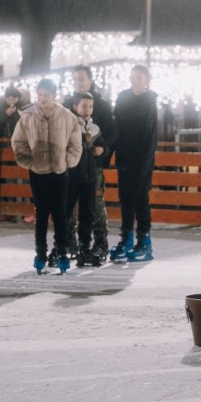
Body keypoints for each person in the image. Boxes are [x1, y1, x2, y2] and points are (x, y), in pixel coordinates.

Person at [11, 78, 83, 274]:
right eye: (40, 95)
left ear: (54, 95)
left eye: (46, 95)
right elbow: (18, 142)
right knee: (41, 213)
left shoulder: (66, 116)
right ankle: (40, 253)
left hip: (59, 172)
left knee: (60, 213)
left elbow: (76, 142)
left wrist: (68, 160)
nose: (42, 99)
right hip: (38, 172)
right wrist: (28, 161)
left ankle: (62, 253)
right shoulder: (28, 116)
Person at [64, 66, 117, 258]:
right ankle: (69, 242)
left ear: (90, 80)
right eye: (75, 78)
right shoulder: (67, 104)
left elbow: (111, 132)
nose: (78, 82)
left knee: (94, 204)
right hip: (71, 166)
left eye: (81, 78)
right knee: (68, 205)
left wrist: (102, 150)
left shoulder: (100, 105)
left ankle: (100, 242)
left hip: (92, 166)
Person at [111, 64, 159, 263]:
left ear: (147, 80)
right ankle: (126, 239)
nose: (135, 80)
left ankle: (144, 242)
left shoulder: (150, 101)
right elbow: (116, 127)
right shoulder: (123, 97)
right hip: (125, 157)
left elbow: (151, 134)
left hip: (142, 159)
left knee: (140, 199)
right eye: (133, 77)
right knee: (125, 199)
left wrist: (145, 162)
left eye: (139, 77)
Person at [66, 91, 109, 268]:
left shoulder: (94, 128)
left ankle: (84, 247)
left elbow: (103, 146)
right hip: (72, 175)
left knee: (87, 212)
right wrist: (85, 140)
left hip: (90, 176)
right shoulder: (69, 125)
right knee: (68, 211)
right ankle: (67, 244)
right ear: (75, 107)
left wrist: (101, 150)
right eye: (84, 106)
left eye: (90, 106)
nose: (87, 109)